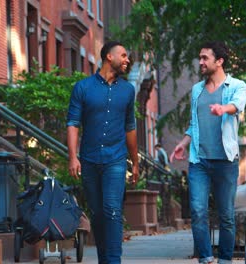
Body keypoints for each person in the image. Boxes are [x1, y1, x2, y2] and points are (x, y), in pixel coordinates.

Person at [169, 41, 246, 264]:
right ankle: (205, 258)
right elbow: (194, 124)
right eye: (200, 58)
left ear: (219, 61)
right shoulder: (197, 90)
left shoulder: (236, 86)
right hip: (199, 161)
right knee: (197, 211)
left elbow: (237, 105)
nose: (200, 62)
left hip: (225, 161)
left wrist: (224, 109)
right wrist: (183, 143)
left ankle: (225, 259)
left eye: (205, 58)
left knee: (226, 216)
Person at [66, 41, 139, 264]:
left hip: (115, 159)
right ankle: (104, 260)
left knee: (112, 209)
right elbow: (73, 123)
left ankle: (113, 260)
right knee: (97, 214)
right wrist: (73, 156)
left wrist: (135, 162)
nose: (127, 60)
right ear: (109, 56)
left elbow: (130, 127)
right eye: (124, 55)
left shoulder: (128, 90)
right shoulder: (83, 88)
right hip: (89, 160)